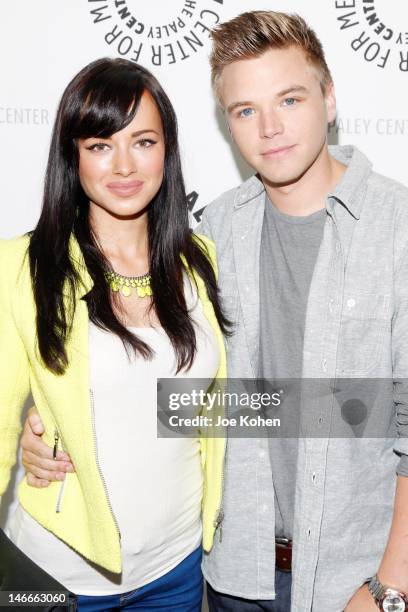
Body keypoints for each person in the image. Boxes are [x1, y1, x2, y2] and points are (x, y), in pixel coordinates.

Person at [18, 10, 408, 612]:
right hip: (231, 574)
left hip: (354, 581)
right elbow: (192, 403)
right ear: (227, 124)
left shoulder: (398, 227)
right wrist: (53, 423)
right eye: (246, 110)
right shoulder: (213, 234)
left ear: (329, 100)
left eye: (290, 100)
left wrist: (391, 586)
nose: (270, 128)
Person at [0, 57, 229, 611]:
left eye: (143, 142)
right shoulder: (20, 269)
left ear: (166, 151)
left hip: (177, 569)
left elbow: (200, 413)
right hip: (55, 575)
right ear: (72, 156)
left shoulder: (201, 260)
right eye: (101, 144)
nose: (124, 165)